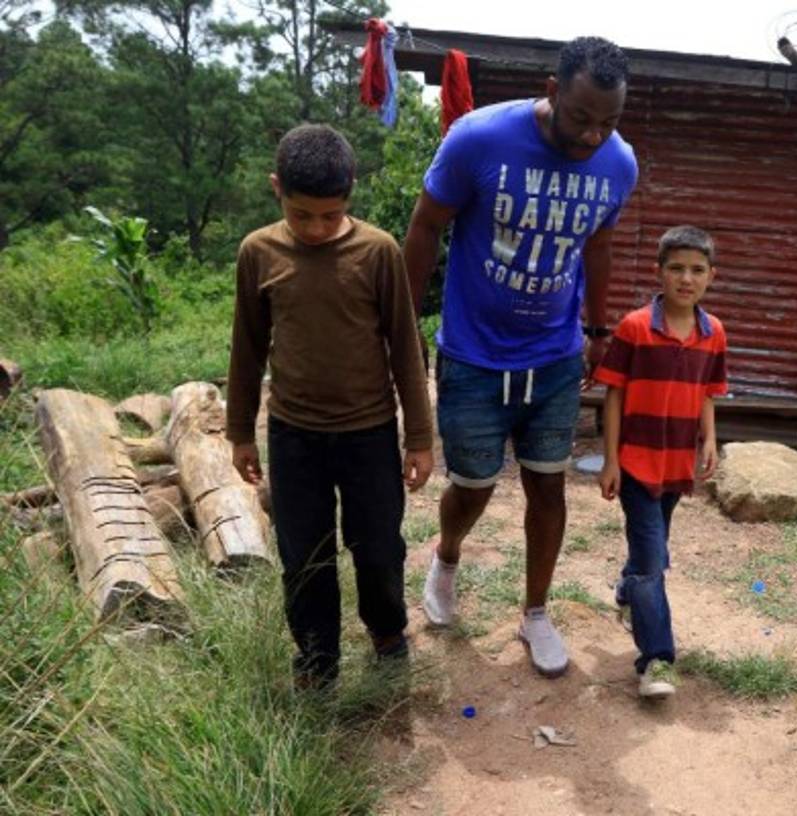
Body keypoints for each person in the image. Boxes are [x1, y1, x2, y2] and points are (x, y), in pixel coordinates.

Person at [400, 36, 638, 678]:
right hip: (473, 353)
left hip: (553, 356)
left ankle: (535, 612)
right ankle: (447, 556)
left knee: (547, 483)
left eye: (609, 121)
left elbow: (599, 245)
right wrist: (403, 322)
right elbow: (426, 225)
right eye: (581, 117)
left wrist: (596, 329)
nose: (593, 136)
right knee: (473, 484)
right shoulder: (478, 139)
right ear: (552, 91)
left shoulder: (618, 163)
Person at [226, 123, 434, 690]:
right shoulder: (258, 253)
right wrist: (240, 431)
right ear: (276, 188)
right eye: (302, 215)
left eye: (330, 214)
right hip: (294, 435)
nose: (316, 228)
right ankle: (317, 658)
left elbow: (405, 348)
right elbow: (247, 347)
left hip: (369, 433)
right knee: (304, 555)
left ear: (350, 193)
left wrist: (419, 437)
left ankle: (388, 635)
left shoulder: (379, 252)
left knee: (379, 547)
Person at [593, 225, 728, 699]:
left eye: (696, 270)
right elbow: (613, 395)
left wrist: (709, 439)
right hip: (635, 462)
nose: (686, 279)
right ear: (659, 272)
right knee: (652, 560)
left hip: (676, 464)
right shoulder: (635, 328)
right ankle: (657, 659)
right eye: (676, 268)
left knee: (653, 547)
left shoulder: (713, 334)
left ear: (711, 276)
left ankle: (627, 590)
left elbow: (709, 391)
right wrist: (610, 460)